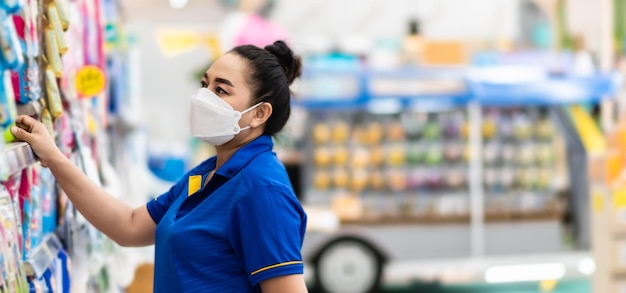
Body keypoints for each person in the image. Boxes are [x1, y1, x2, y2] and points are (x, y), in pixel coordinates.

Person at [11, 40, 309, 293]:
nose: (204, 97)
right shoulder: (208, 175)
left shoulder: (261, 190)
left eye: (221, 91)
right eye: (205, 84)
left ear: (259, 113)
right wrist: (53, 157)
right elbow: (128, 226)